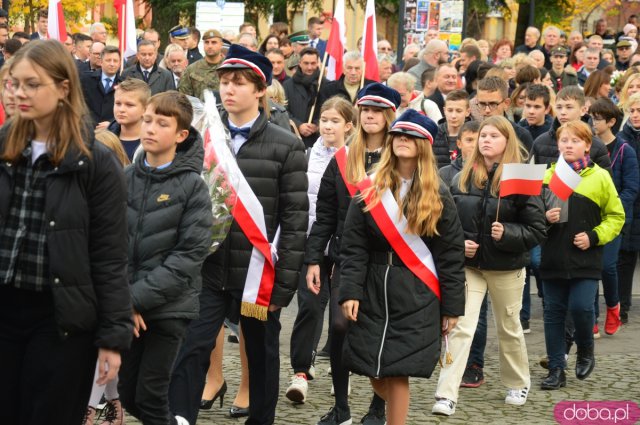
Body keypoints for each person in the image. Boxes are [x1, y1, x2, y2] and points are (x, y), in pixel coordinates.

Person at [168, 44, 308, 425]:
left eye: (239, 83)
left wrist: (284, 288)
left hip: (256, 274)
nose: (229, 89)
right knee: (191, 348)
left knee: (261, 357)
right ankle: (180, 418)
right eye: (225, 81)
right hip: (208, 269)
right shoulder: (201, 139)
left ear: (260, 90)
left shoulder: (287, 145)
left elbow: (296, 221)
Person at [0, 39, 132, 425]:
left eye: (32, 84)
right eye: (13, 83)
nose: (19, 93)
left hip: (61, 320)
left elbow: (110, 256)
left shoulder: (96, 162)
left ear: (63, 87)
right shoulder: (4, 148)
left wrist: (112, 339)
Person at [340, 109, 466, 424]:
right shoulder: (369, 187)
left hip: (417, 291)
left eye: (410, 137)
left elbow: (450, 255)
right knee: (370, 366)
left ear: (423, 144)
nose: (402, 141)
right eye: (398, 135)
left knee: (397, 371)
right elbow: (353, 245)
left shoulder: (438, 194)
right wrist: (350, 291)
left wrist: (452, 308)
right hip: (372, 287)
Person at [432, 115, 547, 416]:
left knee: (509, 327)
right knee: (460, 328)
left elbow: (537, 229)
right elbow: (445, 222)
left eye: (494, 136)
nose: (486, 140)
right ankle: (446, 394)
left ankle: (517, 381)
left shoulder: (520, 177)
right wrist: (458, 244)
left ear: (507, 141)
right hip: (469, 266)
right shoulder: (459, 176)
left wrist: (507, 233)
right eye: (483, 135)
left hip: (506, 266)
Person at [305, 83, 400, 425]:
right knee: (340, 327)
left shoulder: (401, 156)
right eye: (365, 110)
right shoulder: (344, 159)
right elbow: (325, 215)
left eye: (377, 110)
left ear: (389, 115)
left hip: (389, 259)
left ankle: (377, 408)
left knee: (381, 333)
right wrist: (315, 258)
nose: (370, 116)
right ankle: (341, 406)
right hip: (346, 257)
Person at [118, 90, 213, 424]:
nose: (151, 128)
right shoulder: (126, 177)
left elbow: (188, 255)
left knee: (151, 394)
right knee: (128, 394)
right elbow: (110, 243)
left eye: (162, 123)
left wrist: (135, 300)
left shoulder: (193, 185)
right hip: (128, 306)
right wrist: (124, 301)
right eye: (147, 120)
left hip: (169, 309)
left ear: (181, 134)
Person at [540, 121, 624, 390]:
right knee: (553, 314)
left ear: (587, 145)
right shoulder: (547, 176)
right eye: (564, 140)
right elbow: (528, 215)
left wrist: (595, 236)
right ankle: (556, 369)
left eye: (575, 141)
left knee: (581, 307)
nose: (568, 145)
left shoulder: (599, 176)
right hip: (553, 257)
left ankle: (586, 348)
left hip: (586, 258)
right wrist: (544, 217)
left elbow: (616, 216)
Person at [285, 96, 356, 405]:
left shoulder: (355, 159)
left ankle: (344, 371)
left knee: (342, 316)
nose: (328, 125)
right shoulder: (304, 155)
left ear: (348, 126)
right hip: (311, 244)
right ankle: (301, 371)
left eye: (335, 121)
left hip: (344, 247)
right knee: (310, 306)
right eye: (324, 120)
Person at [83, 128, 130, 425]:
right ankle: (113, 402)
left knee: (103, 351)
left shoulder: (122, 195)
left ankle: (90, 408)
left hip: (112, 284)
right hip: (83, 284)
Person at [590, 98, 639, 335]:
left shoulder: (623, 150)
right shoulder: (586, 146)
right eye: (591, 117)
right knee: (589, 268)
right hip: (589, 217)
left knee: (608, 266)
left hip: (614, 217)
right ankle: (592, 318)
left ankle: (613, 306)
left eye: (598, 118)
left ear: (611, 122)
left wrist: (614, 206)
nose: (593, 122)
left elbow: (631, 187)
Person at [532, 86, 611, 169]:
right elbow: (531, 177)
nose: (563, 112)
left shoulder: (597, 146)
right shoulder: (540, 142)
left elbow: (604, 180)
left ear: (583, 110)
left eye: (569, 107)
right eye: (559, 107)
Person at [613, 92, 640, 324]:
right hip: (631, 204)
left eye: (639, 111)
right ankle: (623, 305)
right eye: (632, 111)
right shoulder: (622, 138)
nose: (635, 115)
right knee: (626, 257)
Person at [283, 47, 325, 148]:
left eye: (313, 63)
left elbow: (331, 110)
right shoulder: (288, 85)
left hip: (319, 141)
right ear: (300, 63)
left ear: (318, 63)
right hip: (294, 140)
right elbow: (284, 110)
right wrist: (298, 125)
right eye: (306, 63)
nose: (310, 67)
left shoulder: (326, 84)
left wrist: (317, 126)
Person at [107, 77, 151, 161]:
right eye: (118, 103)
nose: (121, 109)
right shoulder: (104, 140)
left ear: (145, 109)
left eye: (129, 105)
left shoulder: (153, 143)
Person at [79, 45, 122, 128]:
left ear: (120, 63)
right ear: (101, 62)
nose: (112, 64)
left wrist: (112, 123)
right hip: (87, 129)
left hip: (111, 132)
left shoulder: (124, 84)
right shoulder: (85, 79)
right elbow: (79, 104)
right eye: (108, 60)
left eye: (115, 61)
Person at [179, 29, 224, 100]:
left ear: (221, 44)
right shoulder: (192, 69)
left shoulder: (228, 67)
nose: (210, 46)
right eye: (207, 42)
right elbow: (184, 97)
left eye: (214, 42)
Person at [433, 89, 471, 168]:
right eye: (450, 110)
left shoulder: (476, 134)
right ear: (444, 111)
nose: (453, 116)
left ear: (467, 112)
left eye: (458, 111)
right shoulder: (434, 133)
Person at [439, 120, 480, 186]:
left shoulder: (490, 171)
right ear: (459, 144)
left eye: (479, 140)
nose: (474, 145)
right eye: (469, 140)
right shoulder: (444, 173)